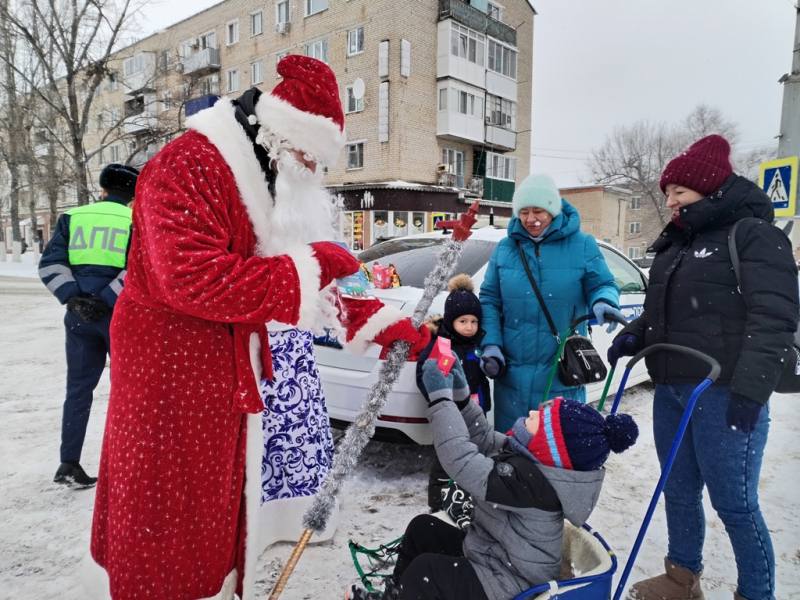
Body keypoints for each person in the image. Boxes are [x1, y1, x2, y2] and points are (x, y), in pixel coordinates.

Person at [86, 56, 430, 600]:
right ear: (275, 135)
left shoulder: (263, 181)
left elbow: (289, 279)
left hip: (218, 377)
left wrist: (378, 324)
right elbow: (192, 278)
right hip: (169, 378)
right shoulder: (190, 165)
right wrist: (309, 265)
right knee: (166, 514)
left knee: (213, 508)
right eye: (308, 157)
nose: (314, 173)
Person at [608, 135, 799, 600]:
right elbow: (662, 311)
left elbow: (774, 318)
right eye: (667, 191)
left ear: (710, 189)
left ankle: (756, 593)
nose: (669, 200)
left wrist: (752, 392)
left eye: (678, 192)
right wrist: (637, 331)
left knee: (735, 503)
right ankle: (681, 578)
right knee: (678, 487)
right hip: (672, 387)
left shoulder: (752, 236)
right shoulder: (676, 243)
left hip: (725, 392)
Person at [347, 358, 638, 600]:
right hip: (492, 557)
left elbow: (459, 460)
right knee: (424, 529)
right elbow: (484, 439)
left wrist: (440, 399)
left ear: (549, 446)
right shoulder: (529, 462)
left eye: (541, 417)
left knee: (428, 573)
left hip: (507, 584)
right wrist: (461, 398)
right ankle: (399, 594)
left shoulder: (531, 485)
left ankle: (410, 593)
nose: (534, 411)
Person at [479, 174, 623, 432]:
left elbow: (602, 284)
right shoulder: (505, 249)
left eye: (538, 211)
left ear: (553, 210)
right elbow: (490, 300)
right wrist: (491, 344)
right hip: (511, 374)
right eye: (523, 211)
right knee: (513, 451)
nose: (531, 219)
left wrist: (603, 300)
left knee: (557, 450)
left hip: (560, 371)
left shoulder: (582, 245)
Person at [38, 163, 138, 487]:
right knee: (127, 392)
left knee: (78, 390)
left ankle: (68, 463)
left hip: (79, 317)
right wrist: (106, 299)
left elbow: (51, 262)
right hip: (118, 316)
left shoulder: (73, 218)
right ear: (131, 197)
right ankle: (126, 467)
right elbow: (138, 269)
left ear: (103, 190)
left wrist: (73, 298)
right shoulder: (136, 221)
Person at [416, 273, 491, 512]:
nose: (469, 327)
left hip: (475, 412)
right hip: (451, 416)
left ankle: (467, 500)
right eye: (463, 321)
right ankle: (437, 505)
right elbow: (425, 375)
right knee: (446, 459)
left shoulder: (478, 345)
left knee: (473, 457)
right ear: (451, 321)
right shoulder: (442, 346)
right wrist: (441, 402)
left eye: (474, 322)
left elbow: (481, 377)